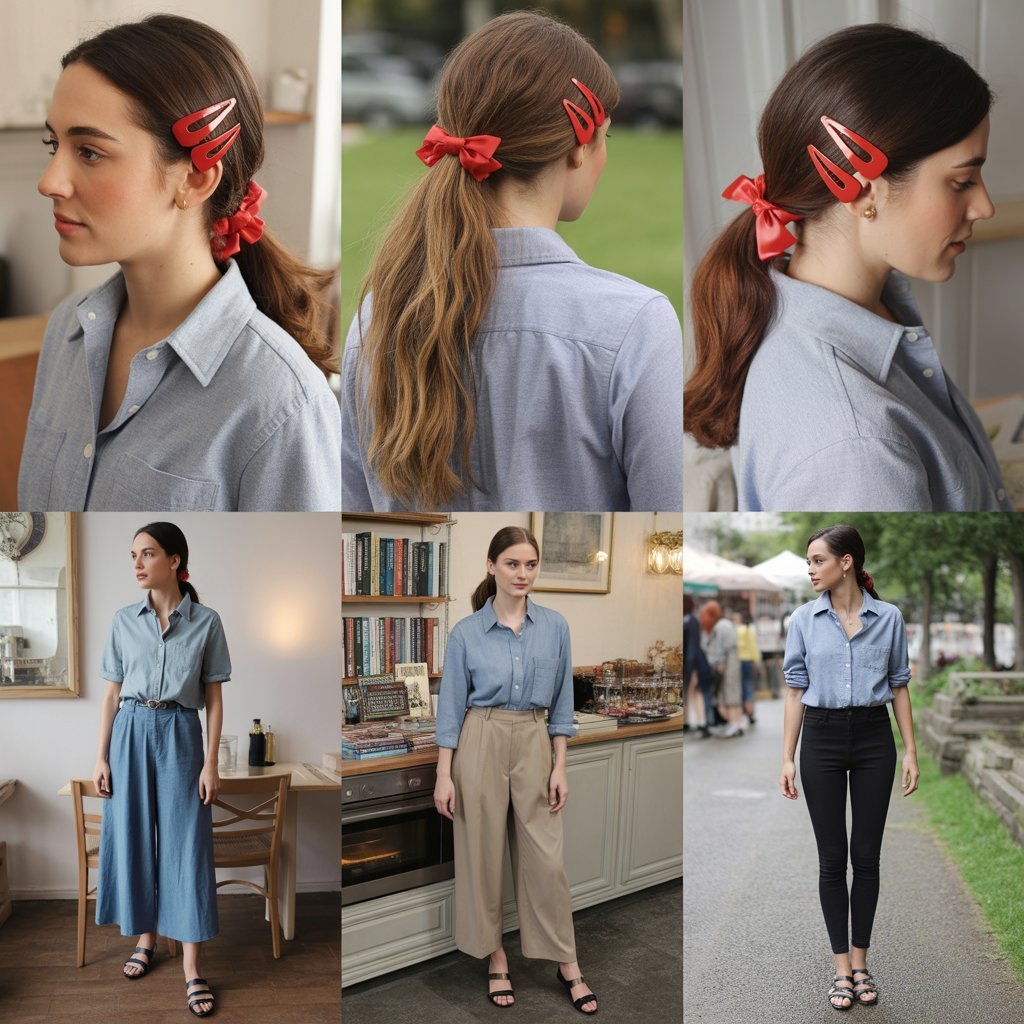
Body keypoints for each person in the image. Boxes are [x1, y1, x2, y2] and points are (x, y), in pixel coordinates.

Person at [343, 10, 682, 512]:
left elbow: (350, 509)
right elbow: (664, 522)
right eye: (604, 136)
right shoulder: (635, 325)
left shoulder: (378, 313)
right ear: (579, 146)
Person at [684, 23, 1011, 512]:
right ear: (859, 189)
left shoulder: (858, 306)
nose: (984, 206)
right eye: (962, 182)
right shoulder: (859, 449)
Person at [21, 14, 340, 512]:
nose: (50, 180)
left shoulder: (279, 401)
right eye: (53, 145)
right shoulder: (67, 331)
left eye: (88, 151)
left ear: (194, 181)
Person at [433, 526, 597, 1014]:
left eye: (530, 564)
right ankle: (495, 955)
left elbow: (563, 705)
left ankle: (567, 961)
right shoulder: (465, 633)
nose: (522, 573)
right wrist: (445, 774)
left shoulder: (555, 626)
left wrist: (560, 765)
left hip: (534, 738)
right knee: (481, 857)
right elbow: (451, 711)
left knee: (546, 862)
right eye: (512, 564)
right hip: (478, 739)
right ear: (492, 566)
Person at [93, 521, 230, 1018]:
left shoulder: (206, 622)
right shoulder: (122, 620)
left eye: (147, 554)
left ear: (174, 560)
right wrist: (101, 755)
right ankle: (145, 940)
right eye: (133, 554)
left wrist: (210, 762)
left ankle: (193, 967)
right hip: (129, 729)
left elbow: (214, 700)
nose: (137, 563)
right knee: (134, 837)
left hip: (179, 731)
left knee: (186, 845)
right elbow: (111, 693)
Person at [780, 524, 919, 1011]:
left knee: (867, 856)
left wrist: (911, 752)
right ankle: (841, 967)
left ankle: (861, 962)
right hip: (819, 737)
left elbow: (899, 685)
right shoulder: (802, 619)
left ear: (846, 563)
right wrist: (787, 758)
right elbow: (795, 689)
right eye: (808, 561)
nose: (810, 569)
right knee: (831, 858)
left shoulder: (890, 617)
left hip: (874, 739)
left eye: (817, 559)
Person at [700, 601, 743, 738]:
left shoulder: (719, 627)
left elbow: (719, 649)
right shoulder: (726, 624)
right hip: (733, 662)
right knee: (733, 695)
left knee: (727, 696)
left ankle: (734, 724)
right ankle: (736, 724)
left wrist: (719, 664)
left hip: (727, 664)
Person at [684, 593, 711, 737]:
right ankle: (691, 722)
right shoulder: (690, 621)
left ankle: (702, 724)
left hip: (693, 663)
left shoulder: (691, 622)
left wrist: (693, 669)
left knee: (694, 693)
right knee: (690, 693)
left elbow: (693, 647)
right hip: (691, 663)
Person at [733, 610, 761, 725]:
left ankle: (742, 713)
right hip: (748, 662)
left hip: (737, 662)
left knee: (741, 689)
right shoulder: (748, 629)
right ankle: (750, 714)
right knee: (749, 687)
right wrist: (757, 661)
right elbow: (753, 646)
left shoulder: (735, 631)